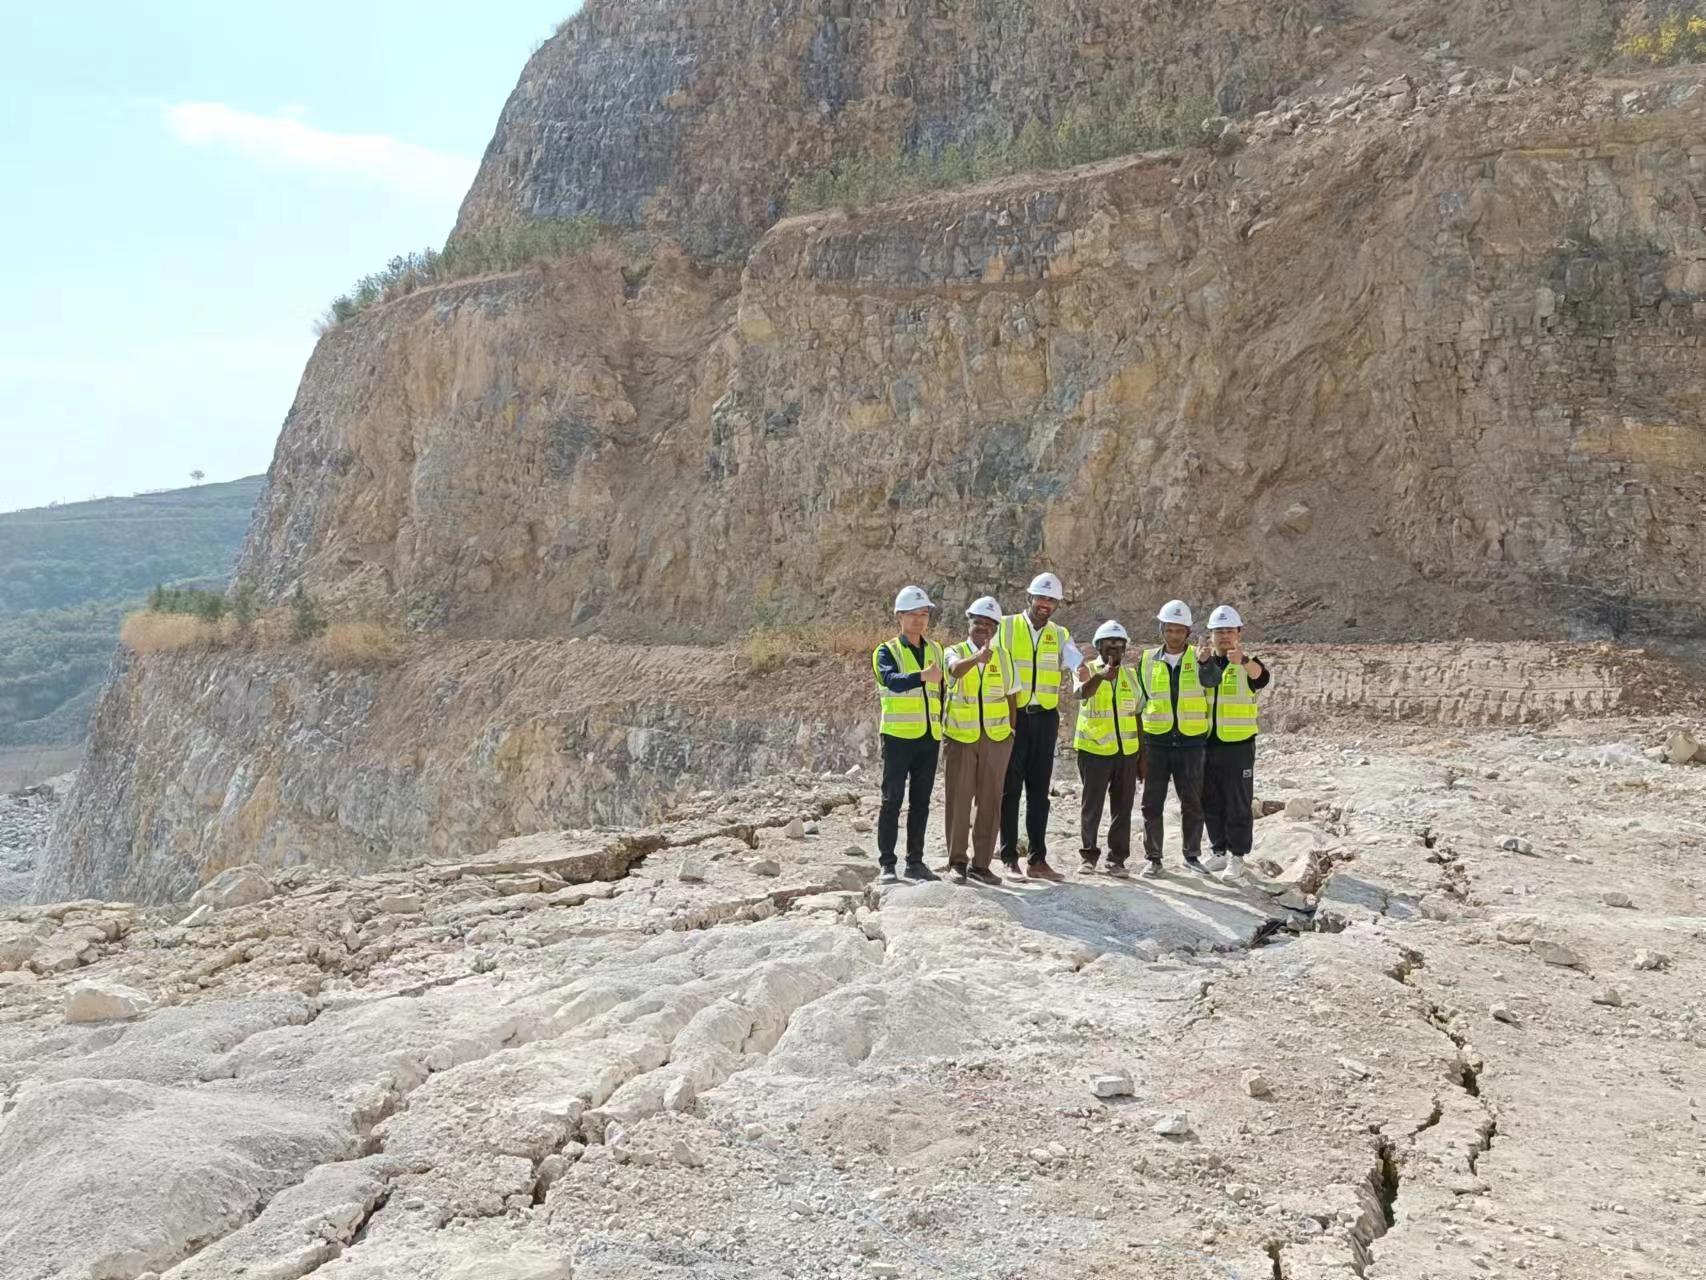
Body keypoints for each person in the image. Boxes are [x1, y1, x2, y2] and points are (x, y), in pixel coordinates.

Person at [996, 572, 1082, 883]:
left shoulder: (1059, 634)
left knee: (1039, 793)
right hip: (1013, 716)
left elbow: (1074, 659)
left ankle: (1037, 859)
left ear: (1057, 604)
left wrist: (1081, 671)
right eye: (1041, 598)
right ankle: (1008, 858)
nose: (1045, 604)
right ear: (1029, 598)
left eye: (1051, 600)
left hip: (1045, 718)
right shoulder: (1005, 626)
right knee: (1010, 789)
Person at [941, 596, 1018, 886]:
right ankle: (957, 862)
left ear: (996, 628)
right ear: (968, 622)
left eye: (989, 624)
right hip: (961, 738)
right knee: (959, 801)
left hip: (997, 740)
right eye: (978, 623)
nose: (983, 628)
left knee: (990, 803)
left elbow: (1013, 695)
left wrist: (1011, 733)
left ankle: (981, 864)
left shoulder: (1005, 657)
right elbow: (954, 671)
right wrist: (977, 659)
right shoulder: (954, 651)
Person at [872, 586, 946, 885]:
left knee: (921, 801)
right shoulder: (886, 650)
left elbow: (943, 689)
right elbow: (891, 681)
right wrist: (921, 676)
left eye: (924, 614)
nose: (919, 620)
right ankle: (887, 864)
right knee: (892, 800)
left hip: (929, 736)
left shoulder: (936, 650)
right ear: (899, 616)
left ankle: (915, 862)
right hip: (898, 737)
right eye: (912, 615)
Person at [1136, 599, 1210, 877]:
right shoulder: (1146, 660)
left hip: (1191, 741)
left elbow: (1212, 682)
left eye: (1180, 631)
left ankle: (1192, 855)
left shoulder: (1200, 657)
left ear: (1188, 633)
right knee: (1152, 803)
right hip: (1157, 741)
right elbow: (1141, 700)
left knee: (1191, 801)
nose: (1174, 636)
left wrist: (1206, 663)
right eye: (1169, 630)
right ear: (1162, 630)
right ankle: (1153, 857)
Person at [1197, 605, 1271, 883]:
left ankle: (1237, 855)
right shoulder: (1203, 662)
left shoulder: (1247, 664)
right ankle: (1218, 850)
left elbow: (1261, 677)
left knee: (1238, 801)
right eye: (1218, 631)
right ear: (1211, 635)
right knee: (1210, 799)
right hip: (1206, 743)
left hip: (1238, 745)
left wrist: (1244, 660)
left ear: (1239, 633)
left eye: (1229, 630)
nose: (1224, 636)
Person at [1073, 620, 1144, 878]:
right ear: (1098, 647)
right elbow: (1080, 694)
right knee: (1091, 805)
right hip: (1093, 752)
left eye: (1119, 644)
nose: (1114, 648)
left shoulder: (1131, 677)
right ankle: (1088, 855)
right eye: (1108, 644)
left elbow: (1137, 715)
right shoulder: (1085, 670)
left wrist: (1141, 757)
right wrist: (1101, 677)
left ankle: (1117, 859)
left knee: (1123, 808)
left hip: (1125, 753)